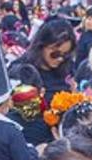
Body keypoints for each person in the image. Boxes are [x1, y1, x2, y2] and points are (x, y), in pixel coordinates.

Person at [12, 18, 76, 146]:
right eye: (55, 53)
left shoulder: (68, 69)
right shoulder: (22, 70)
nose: (60, 59)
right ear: (42, 46)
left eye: (65, 54)